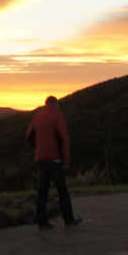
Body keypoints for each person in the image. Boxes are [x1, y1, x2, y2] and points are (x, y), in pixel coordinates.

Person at [25, 95, 81, 229]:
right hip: (55, 159)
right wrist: (66, 160)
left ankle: (42, 222)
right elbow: (64, 138)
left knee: (42, 191)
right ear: (56, 104)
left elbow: (28, 136)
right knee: (62, 190)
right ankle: (69, 220)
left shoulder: (37, 116)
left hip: (41, 158)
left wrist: (37, 149)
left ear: (45, 104)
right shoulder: (57, 115)